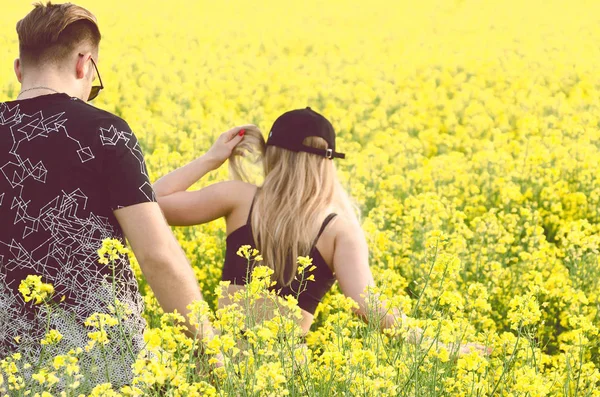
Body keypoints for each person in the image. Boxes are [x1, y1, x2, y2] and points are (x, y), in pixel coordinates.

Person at [154, 108, 489, 355]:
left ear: (272, 155)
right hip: (282, 373)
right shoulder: (339, 231)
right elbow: (370, 308)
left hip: (220, 363)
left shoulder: (239, 198)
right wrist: (444, 348)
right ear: (328, 163)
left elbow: (149, 203)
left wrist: (211, 159)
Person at [0, 1, 215, 385]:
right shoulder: (105, 131)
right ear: (85, 64)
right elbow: (157, 257)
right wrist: (212, 354)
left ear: (19, 68)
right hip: (102, 366)